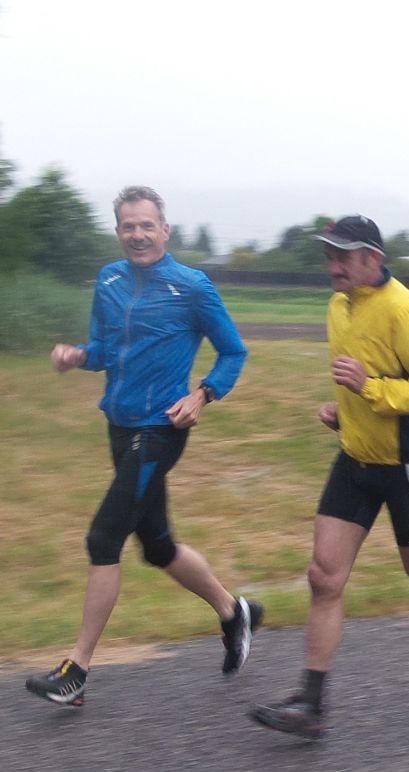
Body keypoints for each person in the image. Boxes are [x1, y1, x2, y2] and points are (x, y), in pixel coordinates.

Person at [249, 216, 409, 740]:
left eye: (344, 256)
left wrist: (371, 390)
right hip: (356, 457)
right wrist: (345, 411)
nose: (333, 266)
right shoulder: (339, 305)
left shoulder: (407, 311)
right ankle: (311, 702)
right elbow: (360, 383)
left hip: (406, 464)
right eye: (329, 255)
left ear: (374, 258)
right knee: (324, 576)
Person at [28, 185, 259, 707]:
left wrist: (203, 395)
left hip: (161, 429)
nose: (137, 235)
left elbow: (233, 352)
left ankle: (77, 671)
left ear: (164, 230)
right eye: (128, 226)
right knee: (157, 546)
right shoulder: (109, 281)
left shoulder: (192, 287)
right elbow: (106, 350)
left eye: (146, 225)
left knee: (103, 537)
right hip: (119, 423)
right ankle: (233, 612)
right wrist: (76, 356)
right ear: (118, 232)